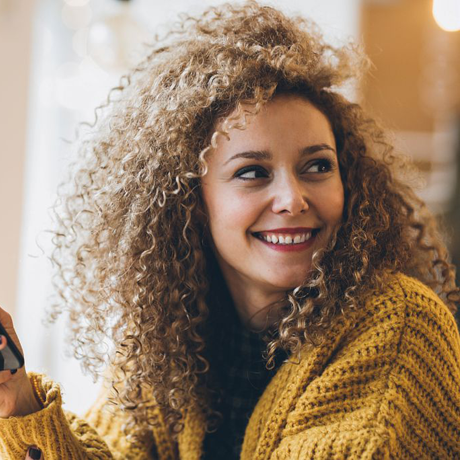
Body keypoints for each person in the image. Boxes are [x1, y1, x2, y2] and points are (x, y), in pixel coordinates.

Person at [0, 2, 459, 459]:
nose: (293, 198)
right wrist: (19, 403)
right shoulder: (170, 334)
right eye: (253, 172)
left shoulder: (400, 325)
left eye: (318, 166)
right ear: (190, 201)